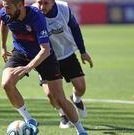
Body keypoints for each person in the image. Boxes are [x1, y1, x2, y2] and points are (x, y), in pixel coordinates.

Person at [0, 0, 88, 134]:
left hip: (45, 57)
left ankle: (80, 130)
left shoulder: (37, 18)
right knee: (6, 83)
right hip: (21, 52)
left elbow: (45, 50)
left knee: (59, 99)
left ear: (20, 5)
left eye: (8, 7)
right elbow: (4, 23)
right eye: (3, 6)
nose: (5, 11)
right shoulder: (5, 13)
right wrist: (3, 46)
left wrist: (28, 67)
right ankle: (29, 120)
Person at [32, 0, 93, 129]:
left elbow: (75, 29)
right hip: (46, 59)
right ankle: (63, 115)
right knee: (50, 94)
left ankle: (75, 99)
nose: (42, 7)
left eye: (46, 3)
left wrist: (83, 51)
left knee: (81, 88)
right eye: (39, 2)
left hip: (67, 54)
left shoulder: (64, 8)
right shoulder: (33, 12)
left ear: (53, 1)